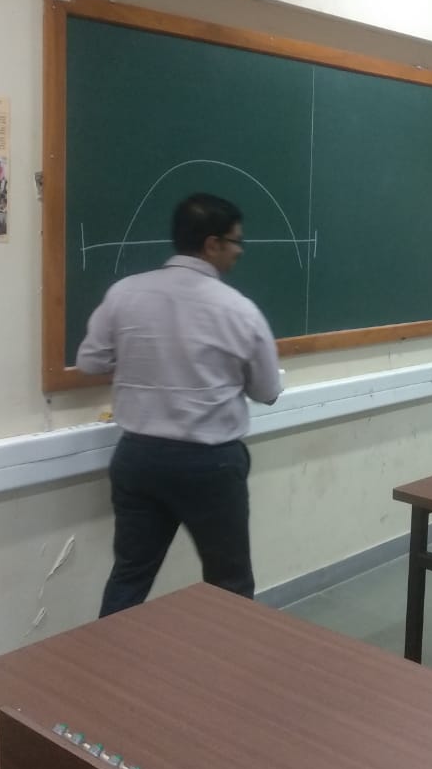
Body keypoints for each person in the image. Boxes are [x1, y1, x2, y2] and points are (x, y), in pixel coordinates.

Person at [77, 192, 282, 616]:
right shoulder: (238, 310)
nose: (240, 251)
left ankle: (106, 657)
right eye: (236, 241)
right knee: (229, 582)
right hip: (210, 465)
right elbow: (267, 391)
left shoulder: (124, 293)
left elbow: (90, 361)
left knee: (130, 575)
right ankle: (228, 660)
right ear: (212, 244)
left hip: (138, 457)